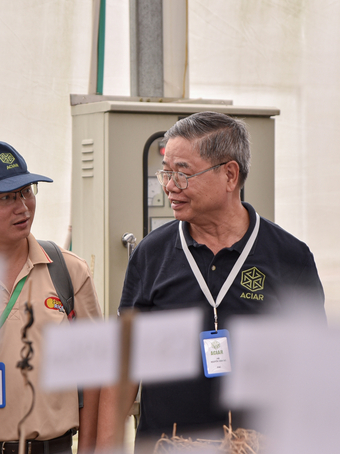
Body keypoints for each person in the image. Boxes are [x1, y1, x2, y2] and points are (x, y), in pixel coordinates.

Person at [97, 111, 326, 451]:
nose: (170, 186)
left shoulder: (289, 257)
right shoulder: (151, 254)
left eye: (183, 173)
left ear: (230, 174)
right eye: (166, 173)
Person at [0, 140, 103, 454]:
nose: (23, 206)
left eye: (27, 191)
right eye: (5, 197)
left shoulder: (68, 271)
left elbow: (95, 373)